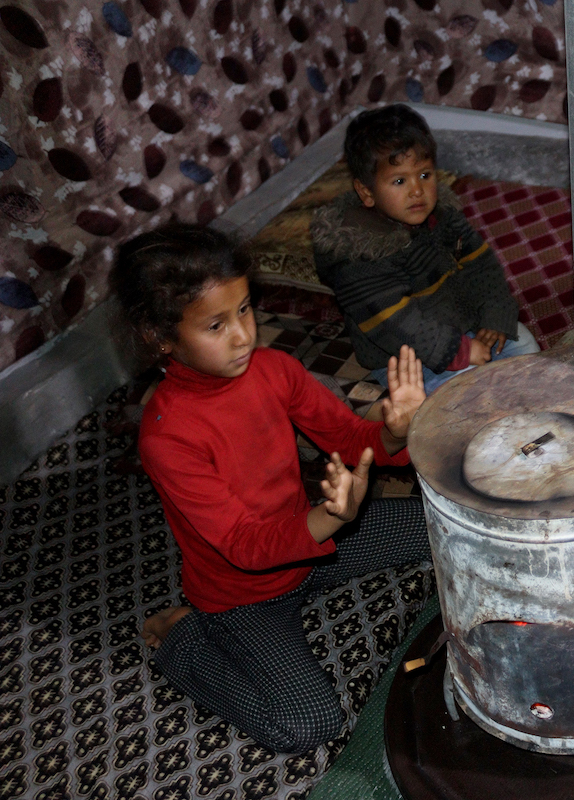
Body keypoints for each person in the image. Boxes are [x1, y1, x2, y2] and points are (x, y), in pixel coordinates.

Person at [110, 224, 432, 753]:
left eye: (243, 309)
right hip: (244, 595)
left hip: (314, 543)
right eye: (216, 324)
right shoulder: (167, 437)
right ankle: (183, 639)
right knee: (309, 724)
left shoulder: (274, 370)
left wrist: (394, 429)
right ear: (161, 337)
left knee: (446, 527)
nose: (243, 334)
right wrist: (332, 517)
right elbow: (243, 544)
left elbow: (350, 439)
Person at [311, 103, 539, 393]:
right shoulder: (358, 254)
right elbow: (398, 325)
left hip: (459, 326)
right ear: (366, 193)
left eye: (424, 175)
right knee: (469, 391)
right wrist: (461, 351)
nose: (416, 190)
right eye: (399, 181)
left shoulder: (443, 218)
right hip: (406, 356)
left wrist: (494, 317)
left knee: (525, 344)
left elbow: (481, 267)